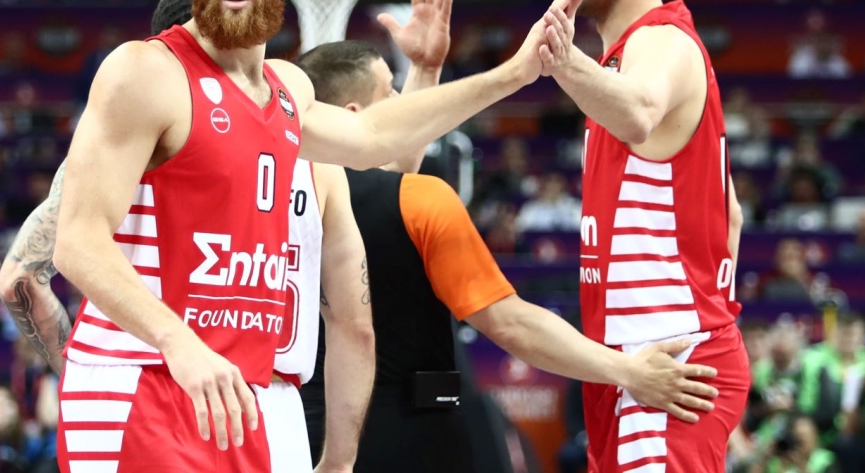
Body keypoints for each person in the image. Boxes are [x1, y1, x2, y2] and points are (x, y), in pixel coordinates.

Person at [47, 0, 563, 473]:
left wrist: (514, 74)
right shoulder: (144, 72)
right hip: (141, 381)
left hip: (240, 393)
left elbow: (375, 136)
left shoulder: (286, 89)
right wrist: (176, 340)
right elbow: (76, 242)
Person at [295, 40, 719, 473]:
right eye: (391, 92)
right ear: (353, 115)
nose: (405, 101)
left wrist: (426, 68)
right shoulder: (422, 200)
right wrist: (630, 371)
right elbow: (509, 323)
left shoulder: (283, 198)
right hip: (411, 435)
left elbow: (378, 174)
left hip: (302, 432)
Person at [536, 0, 750, 472]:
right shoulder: (623, 60)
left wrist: (562, 58)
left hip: (666, 364)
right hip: (639, 363)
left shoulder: (660, 39)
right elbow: (730, 214)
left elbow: (637, 111)